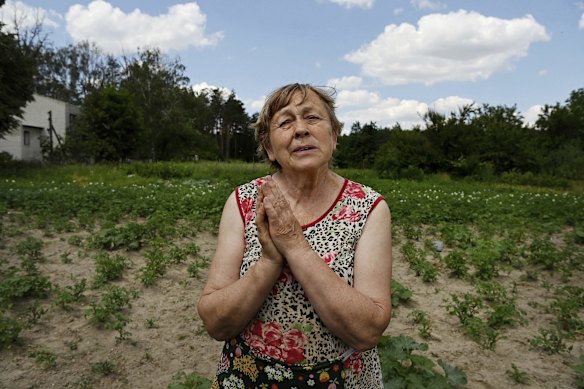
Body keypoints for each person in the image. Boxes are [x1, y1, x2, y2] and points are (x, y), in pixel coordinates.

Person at [197, 83, 392, 388]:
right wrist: (269, 261)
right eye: (285, 122)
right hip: (250, 377)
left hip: (340, 379)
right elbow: (215, 321)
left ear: (334, 135)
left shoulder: (368, 208)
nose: (300, 130)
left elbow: (367, 331)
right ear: (270, 148)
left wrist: (294, 245)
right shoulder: (244, 201)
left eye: (312, 118)